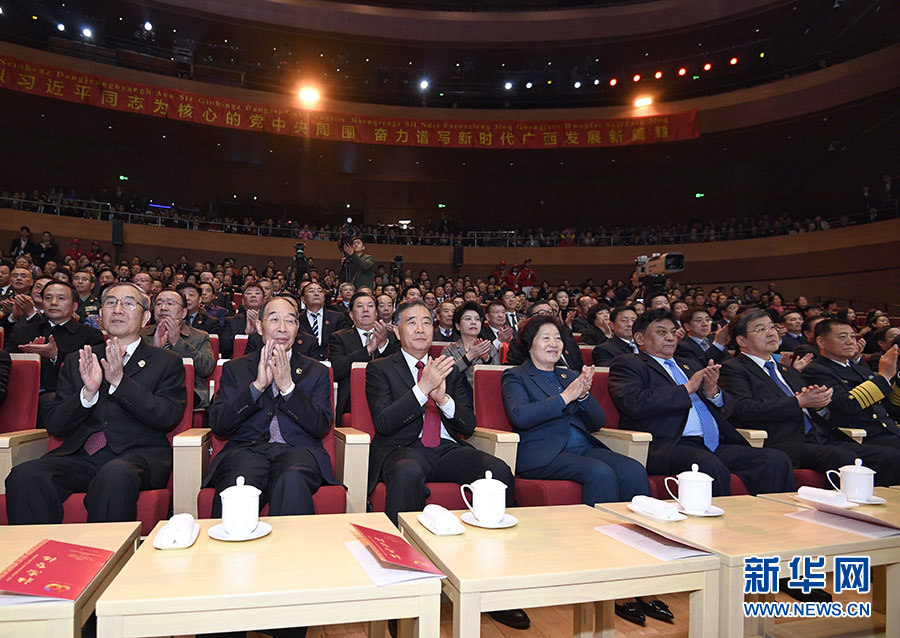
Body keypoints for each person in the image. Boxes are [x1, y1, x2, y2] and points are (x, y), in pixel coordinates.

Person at [364, 299, 529, 631]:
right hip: (403, 448)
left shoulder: (447, 367)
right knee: (407, 472)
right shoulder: (380, 368)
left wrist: (443, 399)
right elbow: (384, 422)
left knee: (497, 472)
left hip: (446, 448)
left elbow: (468, 424)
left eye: (427, 322)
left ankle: (495, 587)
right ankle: (404, 594)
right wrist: (422, 389)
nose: (421, 329)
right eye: (412, 322)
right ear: (398, 330)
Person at [5, 283, 187, 524]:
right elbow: (56, 426)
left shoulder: (166, 362)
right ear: (101, 315)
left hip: (137, 456)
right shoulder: (79, 359)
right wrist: (86, 394)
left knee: (114, 475)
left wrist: (120, 382)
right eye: (111, 303)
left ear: (145, 318)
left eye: (128, 303)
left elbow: (166, 416)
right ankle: (41, 547)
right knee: (24, 476)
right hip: (80, 456)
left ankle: (106, 548)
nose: (118, 309)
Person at [608, 308, 796, 495]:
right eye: (661, 332)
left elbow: (730, 409)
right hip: (668, 445)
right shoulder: (629, 364)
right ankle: (722, 515)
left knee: (775, 459)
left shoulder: (690, 365)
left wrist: (713, 392)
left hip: (712, 443)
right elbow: (633, 403)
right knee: (708, 465)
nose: (671, 338)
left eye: (673, 332)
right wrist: (687, 389)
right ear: (640, 338)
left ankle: (770, 513)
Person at [720, 310, 900, 485]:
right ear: (741, 340)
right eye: (760, 329)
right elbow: (744, 408)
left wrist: (819, 405)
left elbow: (819, 411)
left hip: (820, 436)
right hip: (781, 440)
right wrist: (799, 402)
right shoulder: (734, 368)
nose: (770, 333)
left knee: (888, 456)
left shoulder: (788, 371)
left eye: (772, 327)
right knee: (842, 457)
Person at [205, 297, 337, 518]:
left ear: (297, 328)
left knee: (292, 479)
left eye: (290, 321)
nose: (282, 328)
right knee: (240, 481)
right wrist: (256, 387)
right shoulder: (235, 368)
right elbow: (219, 425)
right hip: (246, 451)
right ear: (259, 326)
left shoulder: (316, 371)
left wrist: (288, 389)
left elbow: (321, 426)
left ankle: (292, 542)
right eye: (274, 319)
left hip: (298, 452)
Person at [502, 314, 650, 504]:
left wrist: (583, 395)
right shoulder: (516, 376)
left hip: (583, 448)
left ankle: (637, 522)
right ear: (529, 343)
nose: (554, 344)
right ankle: (601, 524)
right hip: (544, 454)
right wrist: (565, 397)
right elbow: (520, 416)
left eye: (558, 338)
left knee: (633, 469)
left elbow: (598, 422)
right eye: (546, 338)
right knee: (600, 472)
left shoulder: (569, 375)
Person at [802, 319, 900, 451]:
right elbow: (847, 404)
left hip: (888, 431)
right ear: (821, 342)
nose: (850, 342)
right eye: (842, 337)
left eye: (853, 337)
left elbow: (890, 406)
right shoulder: (816, 370)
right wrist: (884, 376)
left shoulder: (861, 369)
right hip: (860, 438)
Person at [7, 281, 104, 394]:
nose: (53, 303)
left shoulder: (91, 335)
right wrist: (27, 357)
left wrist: (56, 356)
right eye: (48, 298)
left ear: (74, 306)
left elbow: (92, 374)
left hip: (67, 396)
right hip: (22, 392)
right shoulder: (23, 331)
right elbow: (6, 365)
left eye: (61, 298)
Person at [328, 291, 399, 420]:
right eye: (360, 306)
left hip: (386, 396)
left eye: (370, 306)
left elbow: (398, 369)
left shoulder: (392, 338)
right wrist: (368, 349)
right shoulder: (339, 337)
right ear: (351, 315)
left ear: (376, 313)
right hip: (351, 398)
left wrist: (383, 345)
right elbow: (336, 370)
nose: (365, 310)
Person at [142, 289, 216, 409]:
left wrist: (177, 342)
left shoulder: (200, 336)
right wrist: (155, 350)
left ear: (183, 313)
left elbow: (206, 367)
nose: (163, 308)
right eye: (159, 303)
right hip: (147, 390)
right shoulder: (141, 335)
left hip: (188, 392)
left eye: (170, 303)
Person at [507, 302, 582, 372]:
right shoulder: (520, 342)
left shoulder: (569, 342)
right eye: (542, 313)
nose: (547, 316)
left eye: (550, 312)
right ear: (529, 319)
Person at [442, 301, 499, 390]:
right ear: (457, 326)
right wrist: (469, 356)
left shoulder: (489, 347)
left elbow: (498, 377)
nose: (473, 322)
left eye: (477, 319)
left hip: (486, 392)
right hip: (459, 396)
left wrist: (486, 359)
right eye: (468, 319)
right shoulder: (449, 351)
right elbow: (447, 377)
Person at [298, 281, 347, 360]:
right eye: (311, 291)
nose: (316, 294)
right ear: (303, 299)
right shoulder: (298, 320)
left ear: (324, 297)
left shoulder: (337, 318)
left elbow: (343, 343)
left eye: (320, 291)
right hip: (304, 362)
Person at [220, 282, 265, 358]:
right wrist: (244, 334)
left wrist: (259, 330)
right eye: (249, 293)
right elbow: (223, 348)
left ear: (263, 300)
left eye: (257, 293)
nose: (253, 295)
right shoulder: (232, 321)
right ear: (243, 301)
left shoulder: (271, 321)